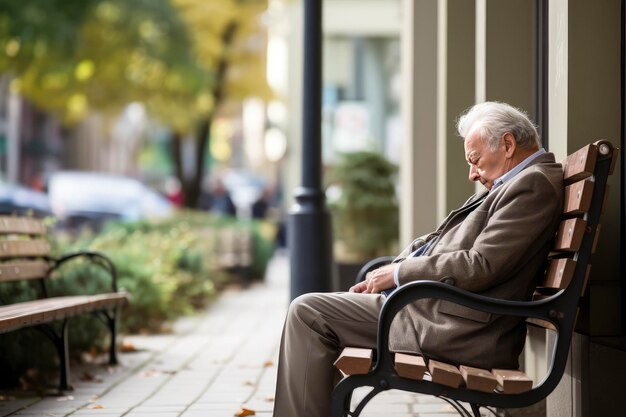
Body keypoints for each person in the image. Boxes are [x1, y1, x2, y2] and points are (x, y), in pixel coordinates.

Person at [272, 102, 564, 417]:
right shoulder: (517, 182)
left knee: (308, 314)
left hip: (451, 327)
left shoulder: (532, 184)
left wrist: (399, 274)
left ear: (507, 145)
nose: (472, 174)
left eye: (475, 160)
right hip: (432, 310)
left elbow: (481, 264)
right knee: (312, 312)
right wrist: (389, 276)